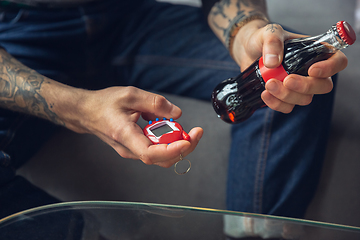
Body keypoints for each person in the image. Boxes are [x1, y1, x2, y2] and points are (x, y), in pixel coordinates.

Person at [0, 0, 347, 225]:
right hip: (15, 36)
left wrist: (247, 30)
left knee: (296, 82)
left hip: (130, 18)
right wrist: (78, 109)